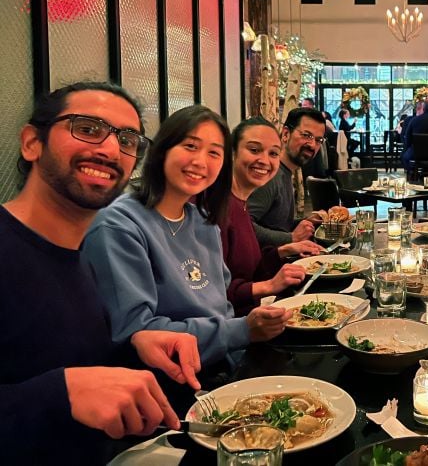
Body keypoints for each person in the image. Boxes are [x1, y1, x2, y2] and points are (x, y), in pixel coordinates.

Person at [1, 82, 201, 464]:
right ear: (32, 143)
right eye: (88, 129)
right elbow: (58, 386)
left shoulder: (79, 256)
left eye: (128, 140)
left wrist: (134, 344)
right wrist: (60, 393)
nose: (110, 149)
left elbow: (51, 353)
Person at [83, 105, 292, 369]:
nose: (201, 162)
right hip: (172, 381)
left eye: (214, 153)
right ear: (162, 149)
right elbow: (137, 332)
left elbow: (221, 306)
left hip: (227, 363)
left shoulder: (203, 222)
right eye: (191, 146)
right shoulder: (119, 225)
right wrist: (240, 330)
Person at [223, 117, 322, 316]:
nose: (265, 161)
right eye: (254, 150)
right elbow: (215, 290)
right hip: (236, 323)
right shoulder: (217, 208)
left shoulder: (242, 202)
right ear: (231, 152)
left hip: (252, 310)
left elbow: (251, 266)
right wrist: (269, 285)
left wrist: (284, 250)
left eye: (273, 153)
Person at [248, 108, 326, 247]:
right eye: (306, 135)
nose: (312, 145)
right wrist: (291, 238)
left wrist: (308, 221)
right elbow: (243, 226)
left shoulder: (286, 173)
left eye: (318, 140)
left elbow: (277, 224)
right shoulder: (270, 174)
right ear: (285, 134)